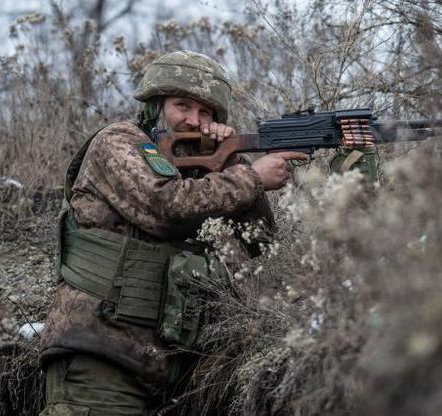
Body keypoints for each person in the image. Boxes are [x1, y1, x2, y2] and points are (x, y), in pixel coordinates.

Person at [38, 50, 306, 415]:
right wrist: (252, 177)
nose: (193, 120)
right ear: (155, 105)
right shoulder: (118, 141)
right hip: (101, 357)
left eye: (205, 113)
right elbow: (165, 208)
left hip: (173, 369)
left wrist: (229, 160)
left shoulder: (200, 169)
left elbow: (257, 241)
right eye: (183, 106)